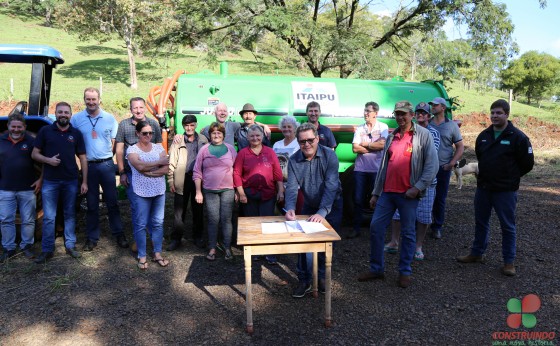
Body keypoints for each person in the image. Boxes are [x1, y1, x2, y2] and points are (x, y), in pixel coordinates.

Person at [357, 101, 438, 288]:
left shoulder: (422, 135)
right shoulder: (392, 136)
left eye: (404, 114)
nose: (400, 117)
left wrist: (417, 187)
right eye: (397, 114)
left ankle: (405, 272)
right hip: (387, 192)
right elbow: (384, 167)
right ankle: (377, 269)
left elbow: (432, 166)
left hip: (408, 194)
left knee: (408, 233)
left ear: (411, 115)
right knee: (376, 227)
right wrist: (376, 193)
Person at [457, 99, 534, 276]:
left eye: (499, 113)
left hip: (505, 191)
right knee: (481, 222)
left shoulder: (518, 137)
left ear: (507, 114)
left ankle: (509, 262)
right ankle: (477, 253)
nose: (494, 116)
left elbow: (527, 164)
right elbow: (481, 157)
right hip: (484, 188)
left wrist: (510, 177)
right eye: (492, 113)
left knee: (507, 226)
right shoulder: (483, 136)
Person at [285, 123, 342, 298]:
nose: (307, 144)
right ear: (298, 142)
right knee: (304, 245)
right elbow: (292, 188)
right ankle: (304, 279)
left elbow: (331, 186)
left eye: (310, 140)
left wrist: (322, 212)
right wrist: (290, 208)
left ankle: (322, 277)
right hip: (309, 205)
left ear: (317, 138)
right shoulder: (294, 160)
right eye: (302, 141)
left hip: (332, 205)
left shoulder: (330, 156)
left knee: (325, 244)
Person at [71, 87, 128, 251]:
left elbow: (115, 143)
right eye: (88, 99)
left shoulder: (109, 119)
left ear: (99, 100)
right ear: (84, 100)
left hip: (106, 166)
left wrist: (107, 156)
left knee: (112, 202)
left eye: (93, 99)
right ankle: (92, 238)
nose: (91, 102)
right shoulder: (77, 119)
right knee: (92, 204)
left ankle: (119, 234)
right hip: (88, 167)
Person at [31, 102, 89, 263]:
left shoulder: (76, 133)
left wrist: (84, 181)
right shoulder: (45, 131)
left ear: (71, 115)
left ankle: (70, 246)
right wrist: (48, 160)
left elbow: (83, 158)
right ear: (55, 114)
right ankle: (47, 249)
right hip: (50, 182)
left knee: (70, 214)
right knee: (49, 216)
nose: (63, 115)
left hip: (70, 180)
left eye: (66, 112)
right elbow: (35, 154)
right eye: (60, 112)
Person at [384, 102, 441, 261]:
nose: (421, 114)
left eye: (424, 113)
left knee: (423, 215)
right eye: (419, 112)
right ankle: (395, 242)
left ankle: (418, 246)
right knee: (397, 215)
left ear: (429, 116)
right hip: (405, 183)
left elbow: (429, 160)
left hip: (426, 183)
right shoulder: (400, 133)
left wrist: (419, 184)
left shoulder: (431, 134)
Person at [233, 124, 284, 264]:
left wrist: (280, 190)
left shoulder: (270, 152)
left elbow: (277, 173)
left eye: (257, 135)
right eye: (252, 136)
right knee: (252, 223)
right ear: (247, 137)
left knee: (268, 223)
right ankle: (254, 251)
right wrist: (241, 193)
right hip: (249, 194)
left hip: (268, 193)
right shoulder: (242, 153)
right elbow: (237, 174)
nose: (255, 138)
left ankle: (269, 253)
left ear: (262, 137)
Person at [126, 121, 169, 270]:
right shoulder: (132, 150)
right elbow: (139, 166)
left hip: (158, 190)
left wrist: (149, 172)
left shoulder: (158, 147)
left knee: (157, 223)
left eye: (150, 133)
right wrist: (159, 162)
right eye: (145, 133)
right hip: (141, 192)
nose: (148, 136)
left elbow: (166, 169)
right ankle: (142, 256)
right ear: (137, 133)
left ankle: (157, 253)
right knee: (141, 224)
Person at [115, 97, 163, 230]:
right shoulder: (124, 125)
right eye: (135, 108)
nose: (138, 110)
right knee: (137, 207)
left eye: (141, 107)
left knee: (153, 207)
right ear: (131, 109)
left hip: (152, 173)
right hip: (131, 174)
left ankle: (154, 236)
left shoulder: (153, 124)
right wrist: (122, 172)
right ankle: (140, 237)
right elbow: (119, 150)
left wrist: (159, 171)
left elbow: (160, 148)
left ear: (145, 108)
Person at [193, 122, 237, 261]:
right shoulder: (204, 149)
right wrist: (198, 191)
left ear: (223, 135)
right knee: (213, 219)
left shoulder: (230, 149)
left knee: (226, 219)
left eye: (219, 133)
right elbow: (197, 171)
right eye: (213, 133)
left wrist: (237, 190)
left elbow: (237, 170)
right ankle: (212, 248)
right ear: (210, 135)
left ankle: (227, 247)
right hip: (209, 190)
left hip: (228, 190)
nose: (216, 135)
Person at [0, 114, 41, 262]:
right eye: (13, 126)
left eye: (19, 127)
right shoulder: (1, 141)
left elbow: (45, 163)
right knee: (5, 219)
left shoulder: (32, 141)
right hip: (5, 189)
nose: (16, 129)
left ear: (24, 127)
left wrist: (41, 180)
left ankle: (26, 246)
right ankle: (8, 247)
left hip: (27, 189)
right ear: (8, 127)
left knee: (28, 219)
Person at [348, 101, 388, 239]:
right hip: (360, 169)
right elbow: (355, 148)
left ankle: (376, 229)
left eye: (368, 111)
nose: (365, 113)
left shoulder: (383, 127)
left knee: (376, 200)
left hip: (376, 169)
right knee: (358, 199)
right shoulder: (360, 128)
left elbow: (383, 145)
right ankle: (356, 228)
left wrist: (365, 144)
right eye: (365, 110)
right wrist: (372, 146)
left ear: (376, 113)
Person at [167, 114, 208, 251]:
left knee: (198, 210)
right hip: (181, 178)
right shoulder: (178, 140)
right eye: (186, 125)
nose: (189, 128)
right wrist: (171, 180)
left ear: (196, 125)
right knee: (179, 211)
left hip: (198, 180)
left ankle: (197, 237)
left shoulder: (203, 139)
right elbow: (171, 161)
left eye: (192, 125)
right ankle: (176, 238)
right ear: (183, 126)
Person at [429, 97, 464, 239]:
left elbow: (460, 146)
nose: (432, 107)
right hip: (427, 168)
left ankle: (437, 226)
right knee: (422, 196)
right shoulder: (427, 123)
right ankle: (420, 224)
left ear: (443, 108)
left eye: (435, 105)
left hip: (443, 168)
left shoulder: (451, 126)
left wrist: (452, 163)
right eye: (432, 105)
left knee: (440, 198)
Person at [198, 103, 271, 147]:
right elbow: (200, 139)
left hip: (230, 163)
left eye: (224, 111)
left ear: (227, 113)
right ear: (214, 113)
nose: (222, 113)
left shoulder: (232, 126)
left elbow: (248, 122)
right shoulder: (208, 129)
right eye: (220, 111)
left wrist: (264, 125)